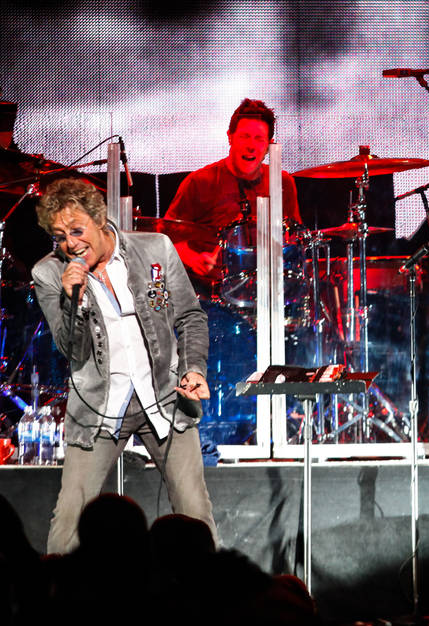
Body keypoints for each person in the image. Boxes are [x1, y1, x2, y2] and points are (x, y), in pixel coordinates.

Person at [31, 177, 216, 554]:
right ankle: (50, 602)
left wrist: (193, 369)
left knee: (195, 511)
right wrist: (74, 302)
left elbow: (191, 317)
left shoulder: (155, 250)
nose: (71, 243)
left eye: (77, 230)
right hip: (99, 406)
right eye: (60, 236)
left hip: (163, 396)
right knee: (69, 519)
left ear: (100, 220)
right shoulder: (49, 274)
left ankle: (212, 602)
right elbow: (71, 349)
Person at [165, 98, 301, 281]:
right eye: (245, 136)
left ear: (269, 145)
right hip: (213, 290)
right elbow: (166, 237)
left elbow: (295, 238)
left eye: (259, 139)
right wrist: (192, 258)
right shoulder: (199, 182)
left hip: (269, 287)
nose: (251, 146)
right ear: (230, 137)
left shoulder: (282, 182)